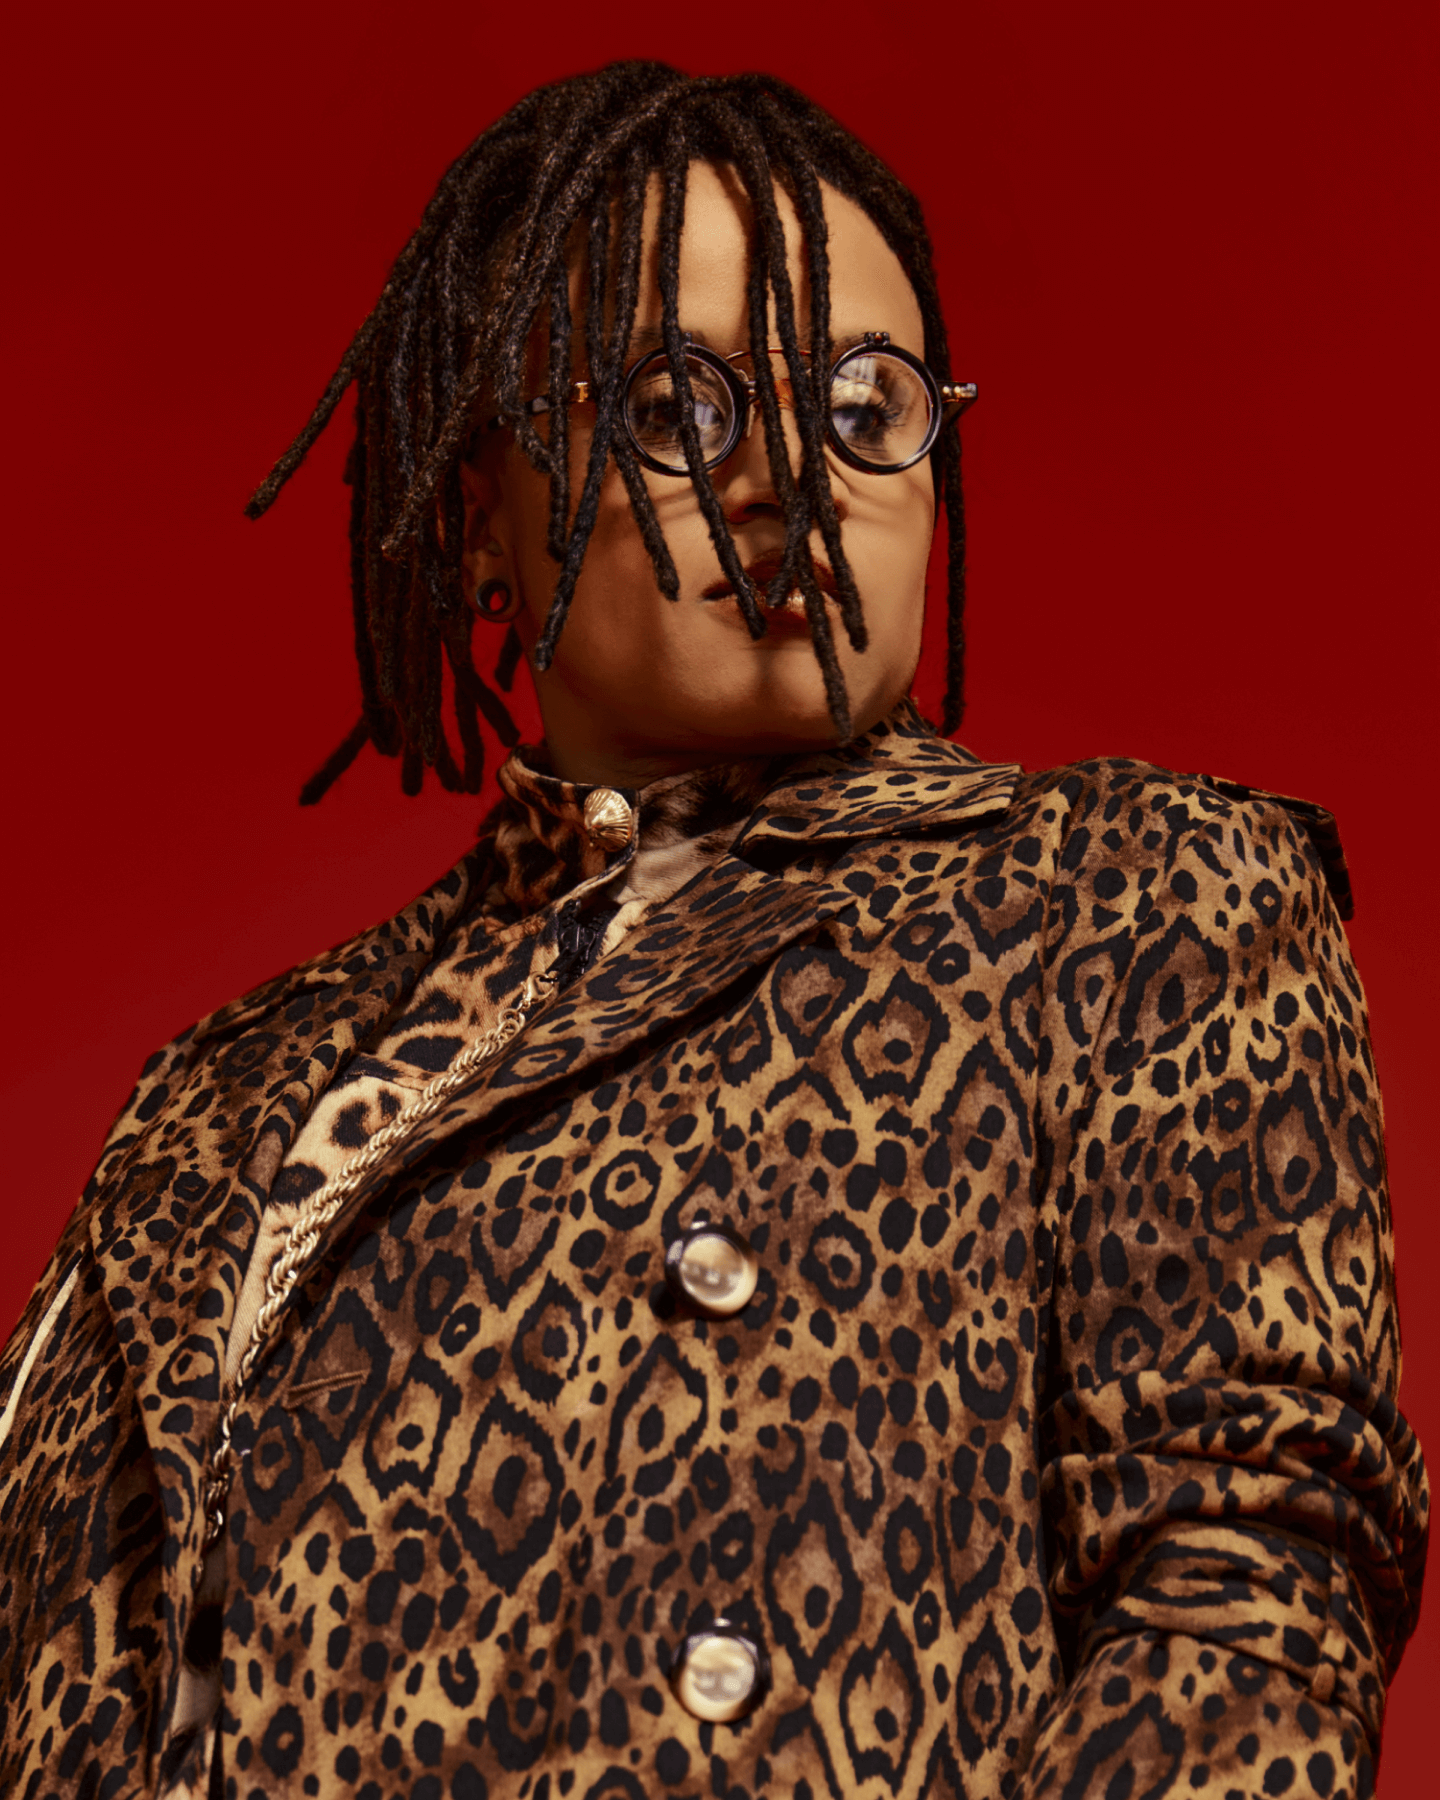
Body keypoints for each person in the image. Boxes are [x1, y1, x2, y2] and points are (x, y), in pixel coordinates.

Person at [0, 60, 1426, 1800]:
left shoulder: (1132, 900)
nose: (790, 479)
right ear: (478, 520)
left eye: (866, 399)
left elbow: (1246, 1623)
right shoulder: (221, 1095)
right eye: (678, 406)